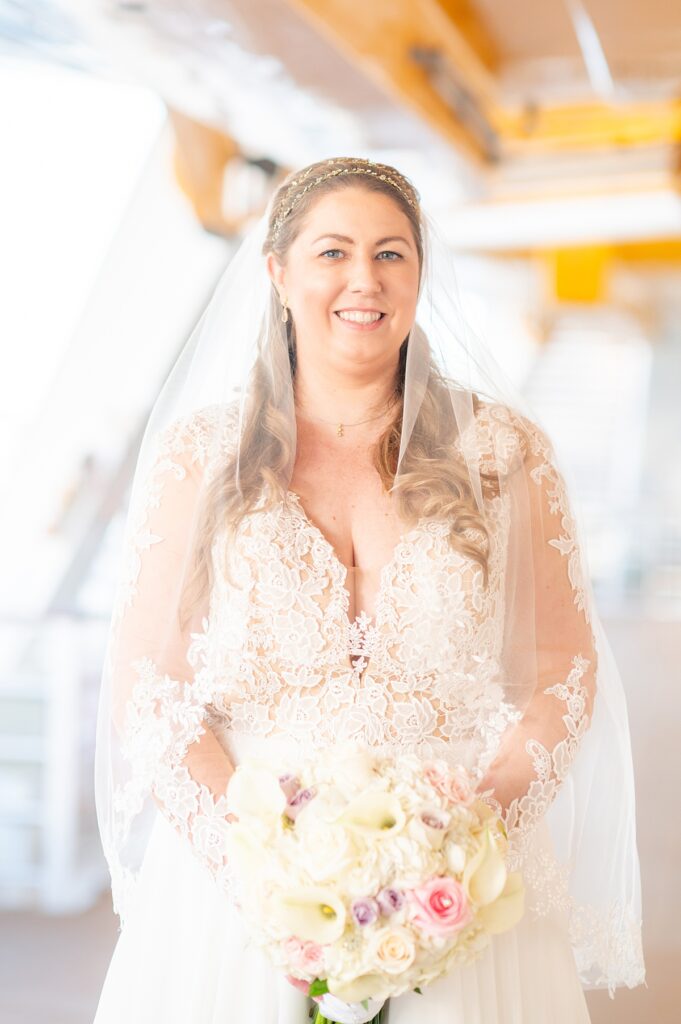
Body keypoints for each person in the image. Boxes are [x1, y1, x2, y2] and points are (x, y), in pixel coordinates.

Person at [93, 157, 645, 1023]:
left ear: (420, 276)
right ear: (277, 273)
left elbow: (561, 670)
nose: (364, 279)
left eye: (391, 254)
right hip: (239, 889)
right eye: (333, 252)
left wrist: (468, 838)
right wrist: (253, 866)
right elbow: (149, 681)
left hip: (456, 878)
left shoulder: (506, 454)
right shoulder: (199, 456)